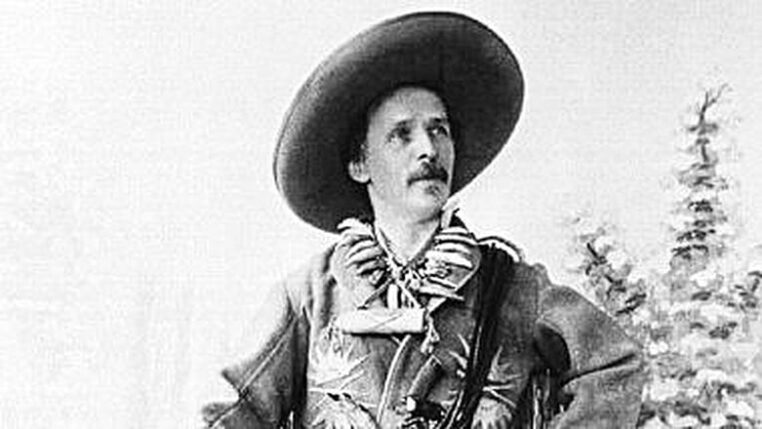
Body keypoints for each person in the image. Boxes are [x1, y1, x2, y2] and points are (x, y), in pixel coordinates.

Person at [202, 11, 644, 429]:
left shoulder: (513, 289)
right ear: (360, 164)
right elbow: (229, 411)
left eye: (439, 130)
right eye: (402, 134)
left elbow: (614, 365)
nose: (429, 150)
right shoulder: (311, 296)